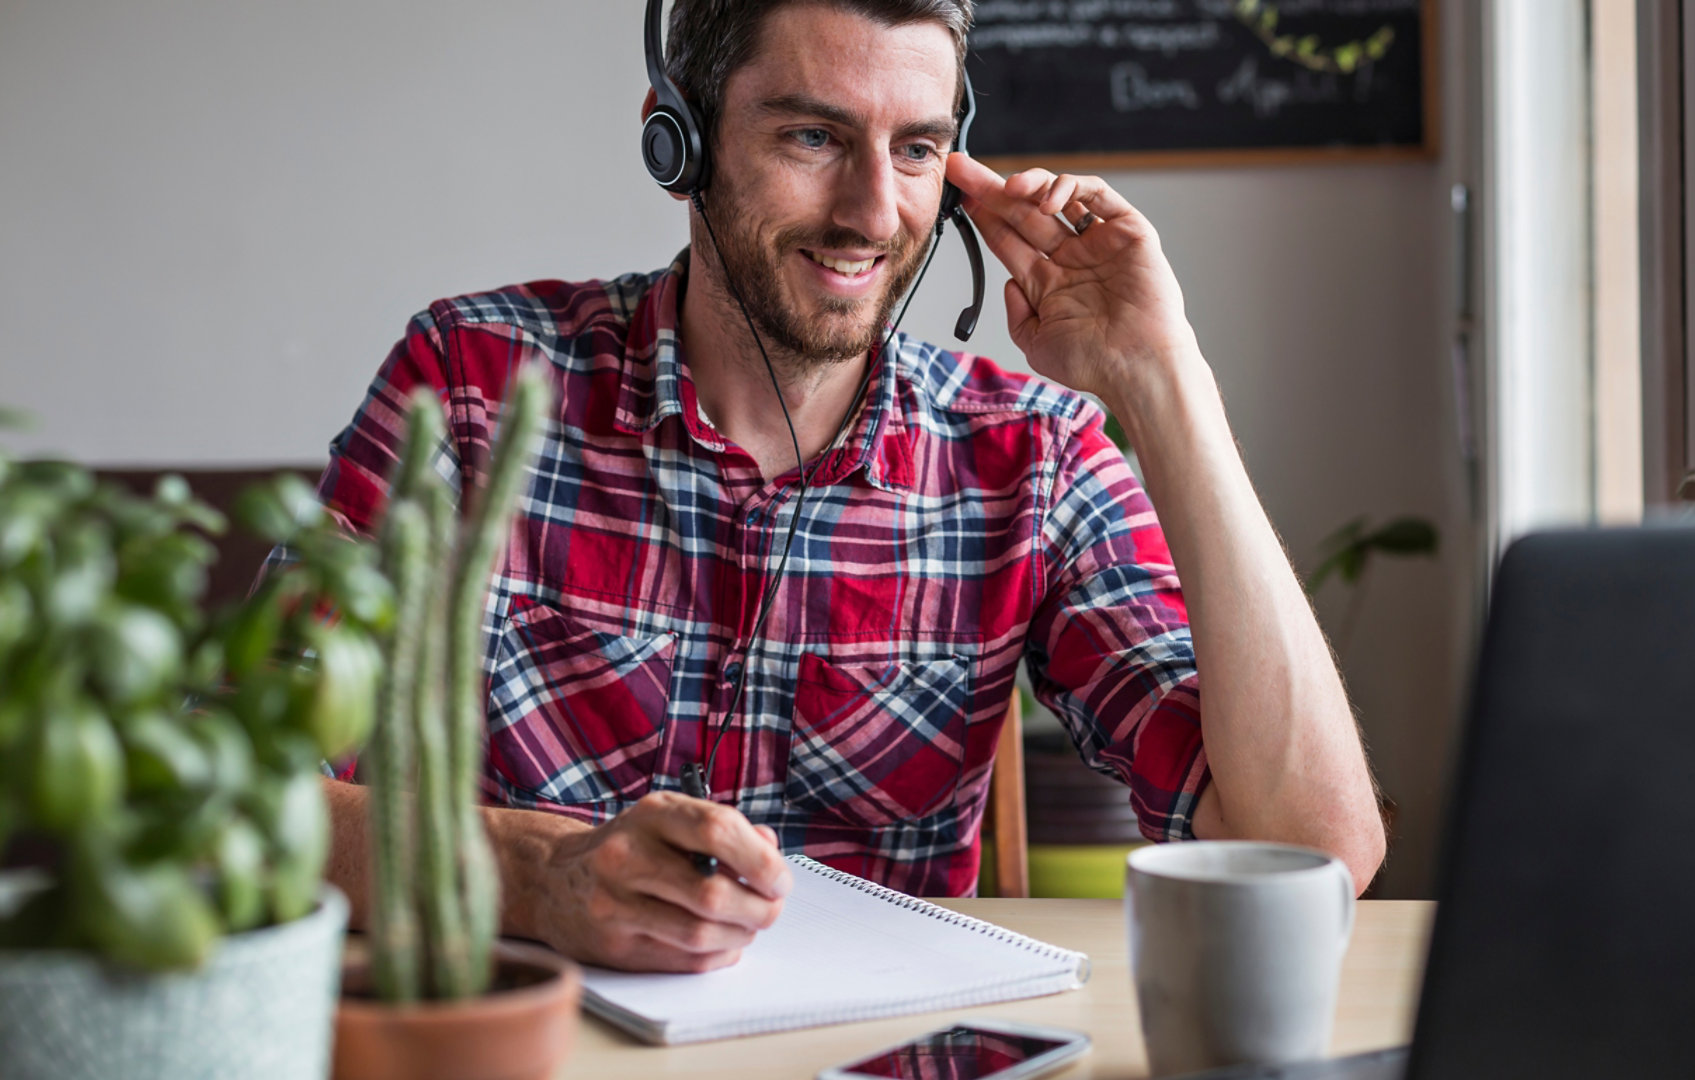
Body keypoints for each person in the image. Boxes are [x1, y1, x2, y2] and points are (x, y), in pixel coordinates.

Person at [317, 0, 1386, 974]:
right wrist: (535, 875)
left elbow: (1311, 853)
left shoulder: (1031, 456)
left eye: (917, 148)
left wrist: (1166, 381)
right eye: (814, 137)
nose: (873, 214)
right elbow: (237, 796)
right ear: (676, 138)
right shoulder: (468, 385)